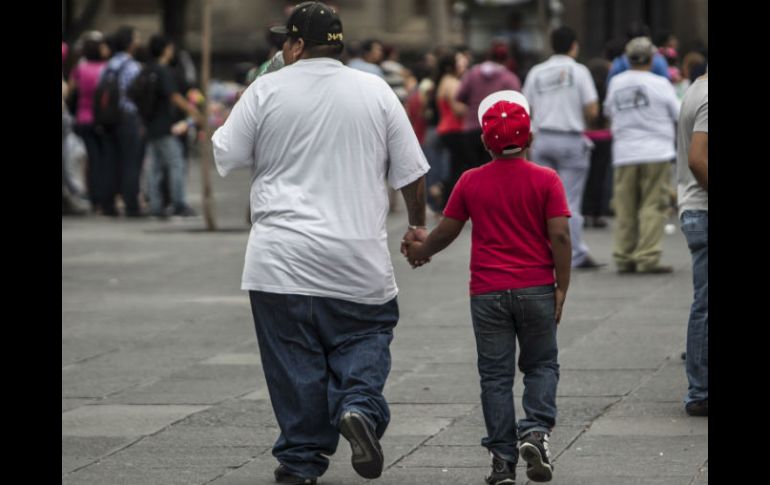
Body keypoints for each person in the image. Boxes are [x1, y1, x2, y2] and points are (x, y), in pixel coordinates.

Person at [211, 3, 430, 483]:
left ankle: (301, 461)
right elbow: (412, 173)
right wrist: (417, 226)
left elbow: (225, 152)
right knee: (366, 336)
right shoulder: (374, 90)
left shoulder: (266, 89)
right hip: (356, 257)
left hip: (280, 260)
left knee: (294, 361)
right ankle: (359, 408)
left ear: (293, 45)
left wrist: (262, 82)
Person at [405, 90, 571, 485]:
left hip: (487, 293)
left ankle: (501, 461)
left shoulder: (470, 181)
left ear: (483, 141)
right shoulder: (546, 180)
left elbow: (446, 232)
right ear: (530, 138)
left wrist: (420, 250)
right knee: (541, 364)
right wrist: (561, 286)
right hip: (535, 289)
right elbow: (561, 236)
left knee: (495, 377)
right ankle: (534, 431)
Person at [522, 26, 602, 269]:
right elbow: (591, 109)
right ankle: (574, 253)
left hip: (542, 138)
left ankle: (542, 252)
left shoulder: (536, 72)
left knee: (542, 200)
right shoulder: (580, 72)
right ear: (574, 46)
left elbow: (526, 108)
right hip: (570, 139)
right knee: (570, 201)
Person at [603, 37, 680, 274]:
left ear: (628, 58)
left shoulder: (616, 82)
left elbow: (608, 111)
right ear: (652, 58)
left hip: (625, 152)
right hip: (657, 151)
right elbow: (677, 113)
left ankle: (624, 256)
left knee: (625, 206)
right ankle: (647, 257)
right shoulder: (661, 83)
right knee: (653, 205)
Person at [141, 35, 204, 218]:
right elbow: (173, 96)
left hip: (151, 124)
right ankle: (179, 204)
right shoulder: (163, 70)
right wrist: (194, 112)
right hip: (164, 125)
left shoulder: (147, 69)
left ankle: (155, 206)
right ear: (165, 49)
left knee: (154, 167)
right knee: (176, 163)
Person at [676, 70, 707, 417]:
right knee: (705, 304)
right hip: (704, 208)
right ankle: (699, 391)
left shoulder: (696, 89)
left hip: (694, 207)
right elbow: (698, 159)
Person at [100, 26, 144, 217]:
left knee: (111, 161)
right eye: (136, 38)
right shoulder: (133, 66)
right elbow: (139, 95)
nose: (139, 41)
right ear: (129, 43)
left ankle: (108, 204)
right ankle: (131, 204)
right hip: (128, 117)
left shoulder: (109, 65)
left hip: (110, 117)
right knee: (130, 162)